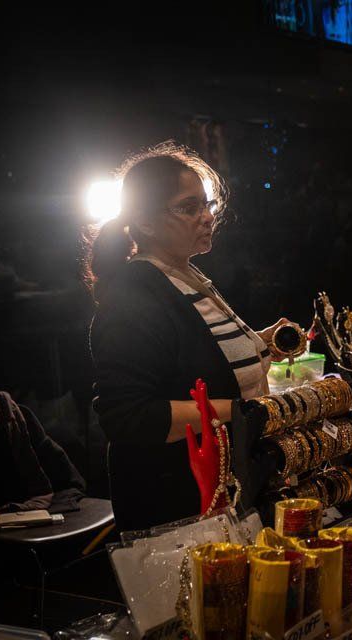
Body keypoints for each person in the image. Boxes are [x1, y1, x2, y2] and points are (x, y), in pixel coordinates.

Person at [87, 142, 291, 531]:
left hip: (221, 492)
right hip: (177, 505)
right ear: (145, 222)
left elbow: (200, 354)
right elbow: (130, 418)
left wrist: (259, 345)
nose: (206, 217)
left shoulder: (184, 275)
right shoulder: (133, 295)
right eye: (188, 207)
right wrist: (243, 412)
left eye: (207, 205)